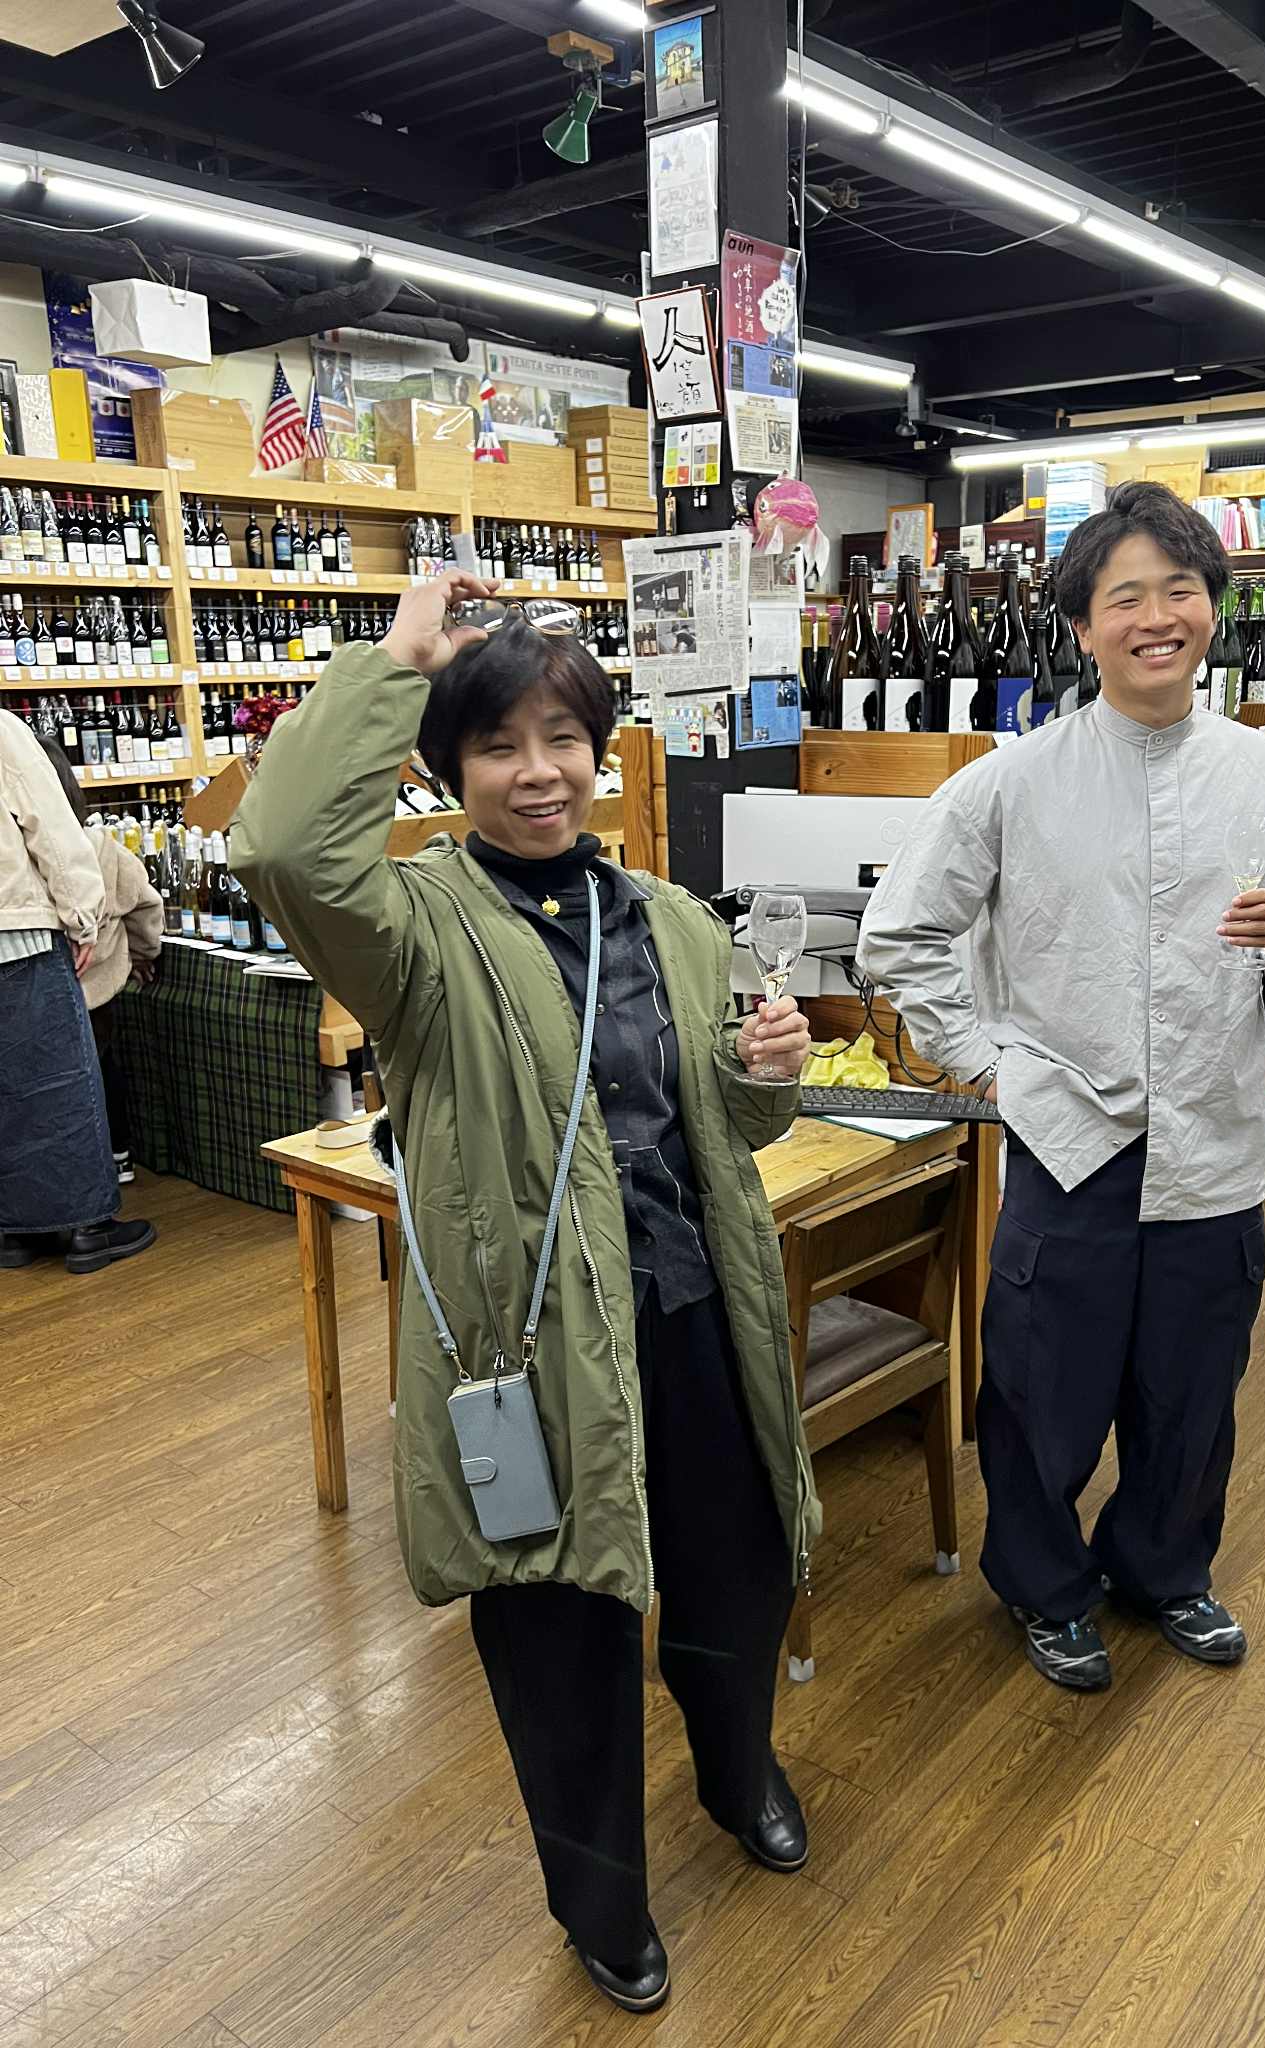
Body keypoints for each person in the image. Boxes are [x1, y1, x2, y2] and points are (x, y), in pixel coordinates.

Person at [230, 573, 822, 2016]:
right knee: (556, 1627)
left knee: (736, 1567)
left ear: (602, 752)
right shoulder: (414, 933)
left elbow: (721, 1125)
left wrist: (767, 1074)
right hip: (531, 1340)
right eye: (497, 743)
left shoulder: (672, 919)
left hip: (694, 1307)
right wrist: (397, 658)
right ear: (446, 765)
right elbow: (284, 845)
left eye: (564, 737)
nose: (538, 770)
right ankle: (601, 1901)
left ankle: (739, 1769)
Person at [857, 482, 1265, 1694]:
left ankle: (1165, 1568)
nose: (1155, 617)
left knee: (1193, 1387)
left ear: (1213, 609)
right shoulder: (1012, 780)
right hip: (1069, 1140)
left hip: (1215, 1142)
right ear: (1082, 625)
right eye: (1125, 596)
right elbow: (899, 936)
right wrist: (994, 1063)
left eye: (1179, 590)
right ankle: (1046, 1585)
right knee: (1042, 1387)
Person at [0, 708, 157, 1275]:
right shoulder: (4, 732)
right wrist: (82, 918)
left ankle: (16, 1232)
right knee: (61, 1081)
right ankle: (90, 1228)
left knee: (5, 1094)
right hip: (17, 935)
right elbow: (53, 829)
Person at [38, 739, 164, 1184]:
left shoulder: (29, 859)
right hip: (100, 990)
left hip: (48, 992)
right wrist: (144, 955)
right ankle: (119, 1154)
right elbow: (146, 906)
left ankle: (78, 1170)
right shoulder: (103, 848)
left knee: (61, 1083)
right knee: (104, 1069)